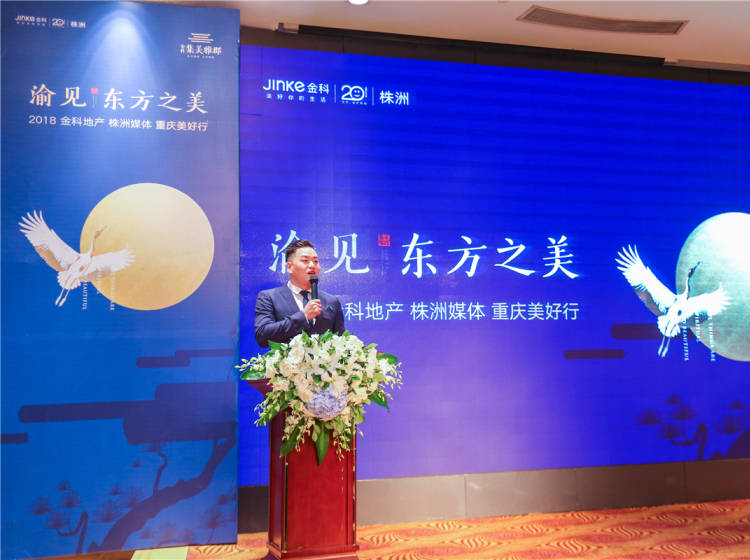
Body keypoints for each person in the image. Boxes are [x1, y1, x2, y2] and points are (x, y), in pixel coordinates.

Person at [255, 239, 345, 348]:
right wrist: (304, 316)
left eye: (315, 261)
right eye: (305, 260)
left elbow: (340, 342)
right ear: (289, 267)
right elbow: (262, 336)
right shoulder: (269, 297)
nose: (312, 265)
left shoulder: (331, 301)